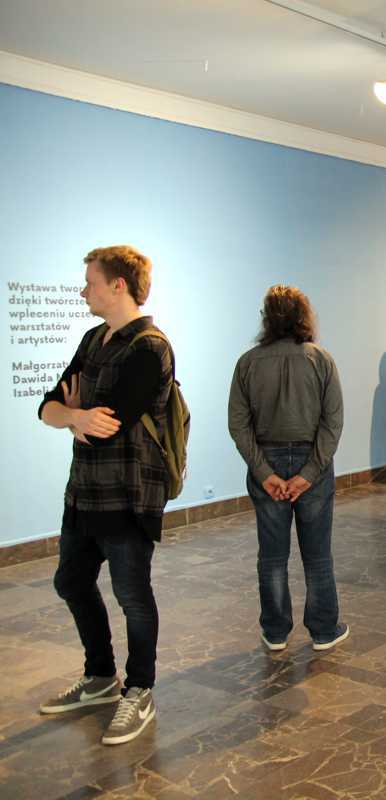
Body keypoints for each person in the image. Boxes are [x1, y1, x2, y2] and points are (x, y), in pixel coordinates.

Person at [37, 245, 176, 745]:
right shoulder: (93, 339)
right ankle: (99, 676)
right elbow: (48, 407)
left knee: (132, 595)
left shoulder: (151, 348)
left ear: (118, 285)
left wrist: (76, 417)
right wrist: (75, 415)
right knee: (71, 581)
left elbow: (108, 427)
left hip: (129, 494)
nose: (83, 292)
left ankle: (139, 689)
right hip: (83, 492)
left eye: (90, 282)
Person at [229, 285, 349, 653]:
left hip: (266, 464)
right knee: (318, 555)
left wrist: (265, 473)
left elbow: (238, 424)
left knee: (272, 556)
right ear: (303, 316)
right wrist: (308, 474)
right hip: (314, 464)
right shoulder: (321, 360)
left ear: (267, 318)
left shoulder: (248, 363)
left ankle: (276, 631)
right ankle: (324, 630)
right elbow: (333, 423)